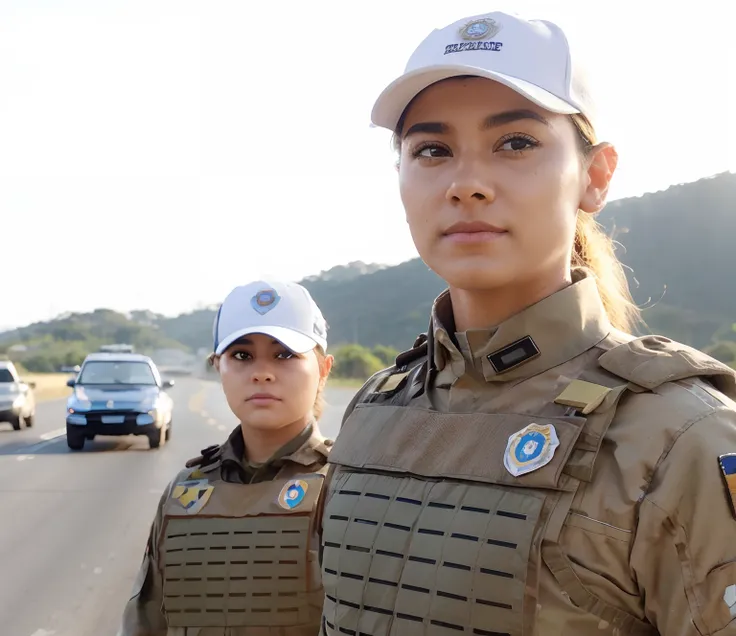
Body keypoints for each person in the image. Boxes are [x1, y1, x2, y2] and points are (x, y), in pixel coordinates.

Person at [318, 10, 736, 636]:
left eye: (516, 143)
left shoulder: (682, 440)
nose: (467, 184)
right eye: (432, 150)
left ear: (594, 177)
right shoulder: (374, 412)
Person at [120, 280, 334, 635]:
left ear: (324, 369)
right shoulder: (185, 493)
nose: (261, 372)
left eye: (284, 354)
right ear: (218, 366)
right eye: (241, 355)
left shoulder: (351, 488)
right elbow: (145, 621)